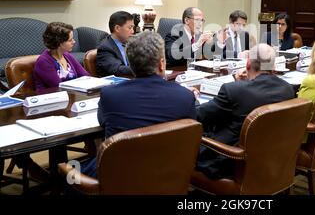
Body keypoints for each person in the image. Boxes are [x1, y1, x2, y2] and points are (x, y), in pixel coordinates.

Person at [82, 31, 196, 177]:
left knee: (69, 174)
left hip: (120, 176)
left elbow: (104, 123)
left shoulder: (110, 95)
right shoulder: (185, 96)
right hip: (169, 173)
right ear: (162, 64)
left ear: (131, 64)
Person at [194, 44, 295, 179]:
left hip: (232, 162)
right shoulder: (287, 89)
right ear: (274, 66)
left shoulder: (233, 90)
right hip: (271, 160)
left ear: (247, 63)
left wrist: (193, 99)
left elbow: (199, 115)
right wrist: (241, 83)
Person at [33, 22, 89, 92]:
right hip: (51, 99)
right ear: (59, 42)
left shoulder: (67, 55)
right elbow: (58, 87)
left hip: (71, 96)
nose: (74, 42)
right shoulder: (43, 61)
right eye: (70, 40)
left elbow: (86, 76)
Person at [96, 11, 134, 77]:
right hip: (114, 85)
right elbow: (117, 69)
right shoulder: (105, 48)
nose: (133, 31)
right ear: (117, 28)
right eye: (130, 28)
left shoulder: (129, 43)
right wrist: (143, 69)